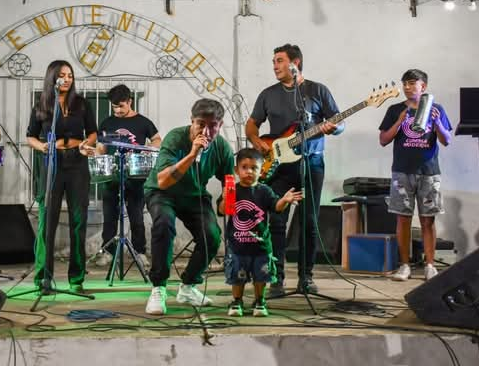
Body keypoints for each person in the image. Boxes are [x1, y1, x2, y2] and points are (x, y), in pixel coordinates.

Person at [246, 44, 344, 297]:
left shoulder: (317, 90)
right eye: (273, 61)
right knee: (277, 221)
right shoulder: (268, 94)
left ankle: (306, 277)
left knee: (309, 222)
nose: (275, 66)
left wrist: (334, 128)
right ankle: (277, 279)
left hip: (311, 163)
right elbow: (252, 124)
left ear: (295, 63)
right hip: (279, 168)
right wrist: (258, 142)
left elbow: (339, 121)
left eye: (279, 61)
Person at [144, 98, 235, 315]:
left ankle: (188, 286)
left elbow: (228, 182)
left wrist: (227, 201)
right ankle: (158, 287)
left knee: (212, 236)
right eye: (200, 124)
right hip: (162, 192)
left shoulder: (222, 148)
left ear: (220, 125)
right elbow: (164, 180)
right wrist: (192, 154)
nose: (205, 130)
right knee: (164, 224)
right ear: (191, 121)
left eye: (212, 125)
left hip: (195, 195)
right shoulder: (175, 139)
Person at [26, 60, 98, 293]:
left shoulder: (82, 104)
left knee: (79, 221)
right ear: (52, 78)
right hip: (52, 162)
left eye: (70, 75)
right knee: (47, 221)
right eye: (62, 75)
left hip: (77, 162)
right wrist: (41, 147)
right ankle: (42, 279)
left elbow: (93, 132)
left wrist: (87, 145)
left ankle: (76, 280)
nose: (67, 79)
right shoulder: (42, 105)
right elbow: (30, 136)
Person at [379, 68, 451, 281]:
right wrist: (400, 121)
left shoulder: (436, 108)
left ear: (423, 86)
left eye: (412, 83)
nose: (407, 87)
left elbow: (446, 140)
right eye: (405, 84)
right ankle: (404, 265)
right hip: (402, 171)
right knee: (403, 219)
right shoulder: (395, 109)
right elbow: (383, 140)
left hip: (428, 172)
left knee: (428, 220)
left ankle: (430, 265)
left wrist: (437, 123)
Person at [219, 148, 302, 317]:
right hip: (238, 246)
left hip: (261, 247)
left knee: (261, 277)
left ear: (261, 170)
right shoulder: (232, 190)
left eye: (254, 168)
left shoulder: (264, 191)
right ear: (236, 170)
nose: (249, 171)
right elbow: (223, 210)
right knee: (237, 276)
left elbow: (276, 207)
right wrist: (226, 197)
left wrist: (284, 200)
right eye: (244, 167)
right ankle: (237, 301)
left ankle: (260, 301)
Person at [95, 84, 161, 269]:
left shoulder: (143, 122)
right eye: (114, 107)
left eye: (121, 106)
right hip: (113, 177)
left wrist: (149, 150)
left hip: (136, 177)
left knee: (136, 216)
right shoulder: (107, 122)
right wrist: (97, 154)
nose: (117, 110)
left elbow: (157, 140)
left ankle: (139, 252)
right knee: (109, 216)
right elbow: (101, 147)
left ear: (130, 101)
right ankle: (108, 252)